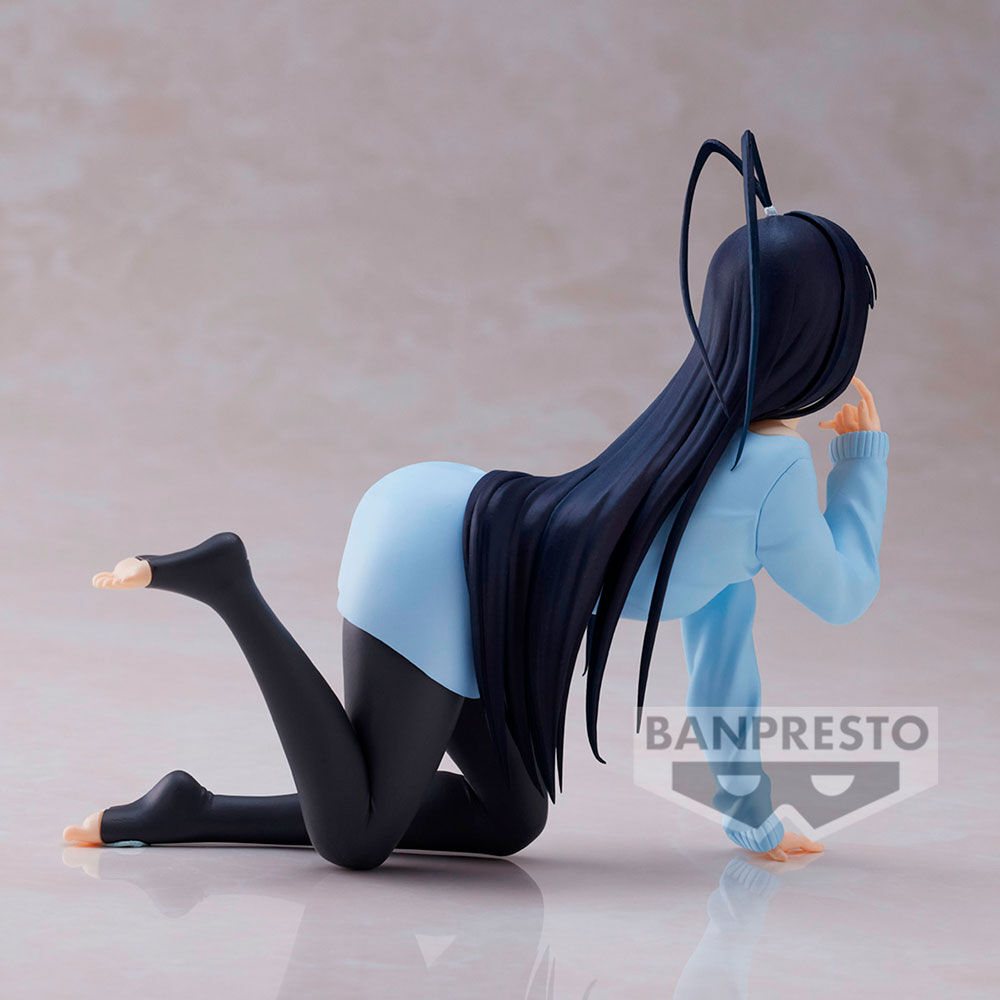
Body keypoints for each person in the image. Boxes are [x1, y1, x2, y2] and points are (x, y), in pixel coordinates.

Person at [64, 132, 888, 868]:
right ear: (819, 337)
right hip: (439, 551)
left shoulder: (703, 444)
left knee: (507, 819)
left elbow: (723, 672)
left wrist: (751, 820)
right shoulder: (772, 468)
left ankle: (194, 809)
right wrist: (859, 461)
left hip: (473, 554)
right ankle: (230, 586)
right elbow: (843, 594)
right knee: (357, 838)